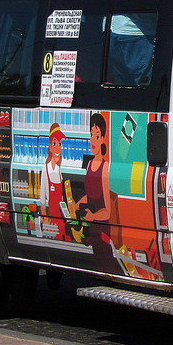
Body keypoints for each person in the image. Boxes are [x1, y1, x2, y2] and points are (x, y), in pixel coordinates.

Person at [67, 113, 118, 272]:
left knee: (104, 264)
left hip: (102, 230)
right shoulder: (90, 165)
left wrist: (93, 216)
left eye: (97, 136)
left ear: (103, 138)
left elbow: (107, 212)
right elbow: (90, 194)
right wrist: (77, 204)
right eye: (91, 135)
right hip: (91, 227)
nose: (93, 140)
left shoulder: (104, 168)